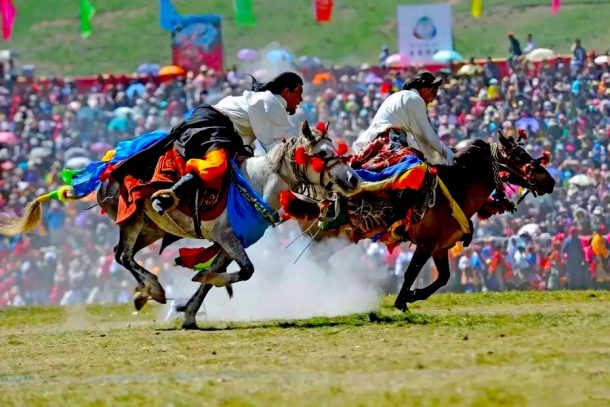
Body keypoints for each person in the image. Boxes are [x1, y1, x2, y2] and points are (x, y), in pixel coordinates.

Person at [150, 71, 304, 215]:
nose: (301, 100)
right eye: (299, 94)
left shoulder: (270, 103)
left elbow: (276, 146)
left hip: (226, 133)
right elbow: (284, 145)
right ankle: (168, 196)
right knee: (217, 165)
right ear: (287, 91)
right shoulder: (271, 102)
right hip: (212, 125)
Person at [352, 71, 454, 165]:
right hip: (387, 143)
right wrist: (445, 152)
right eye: (434, 95)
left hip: (371, 143)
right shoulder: (415, 99)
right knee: (418, 167)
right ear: (426, 89)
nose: (432, 100)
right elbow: (425, 135)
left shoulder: (396, 96)